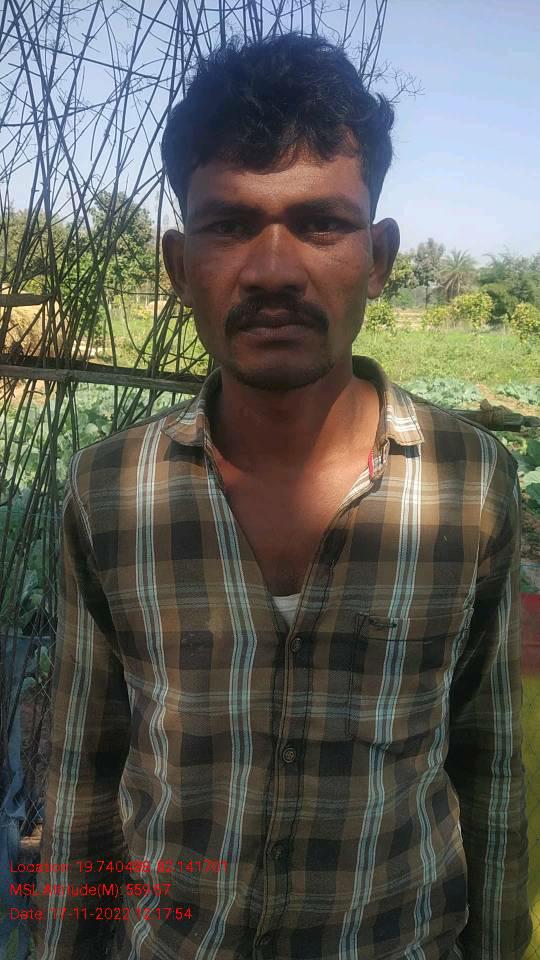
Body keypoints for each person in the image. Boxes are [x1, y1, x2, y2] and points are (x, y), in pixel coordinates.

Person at [33, 32, 532, 960]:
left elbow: (489, 765)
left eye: (321, 223)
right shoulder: (108, 493)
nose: (273, 269)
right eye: (228, 225)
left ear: (378, 256)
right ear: (180, 264)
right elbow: (78, 777)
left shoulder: (471, 486)